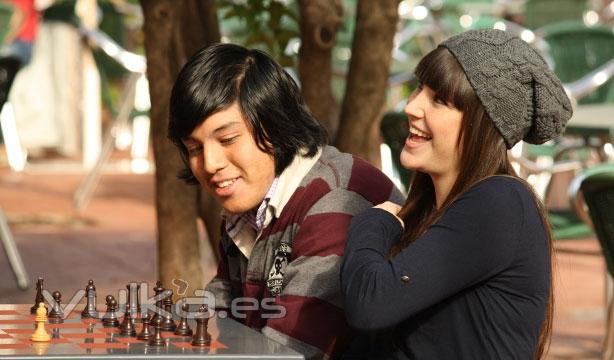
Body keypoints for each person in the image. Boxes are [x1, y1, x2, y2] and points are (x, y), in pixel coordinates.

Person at [340, 29, 572, 359]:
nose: (411, 106)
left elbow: (370, 302)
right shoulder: (431, 213)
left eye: (439, 100)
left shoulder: (499, 203)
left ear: (484, 124)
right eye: (419, 87)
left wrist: (374, 223)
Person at [168, 43, 404, 359]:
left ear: (273, 125)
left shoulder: (333, 201)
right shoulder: (251, 207)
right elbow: (227, 311)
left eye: (227, 139)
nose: (209, 164)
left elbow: (285, 351)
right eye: (194, 148)